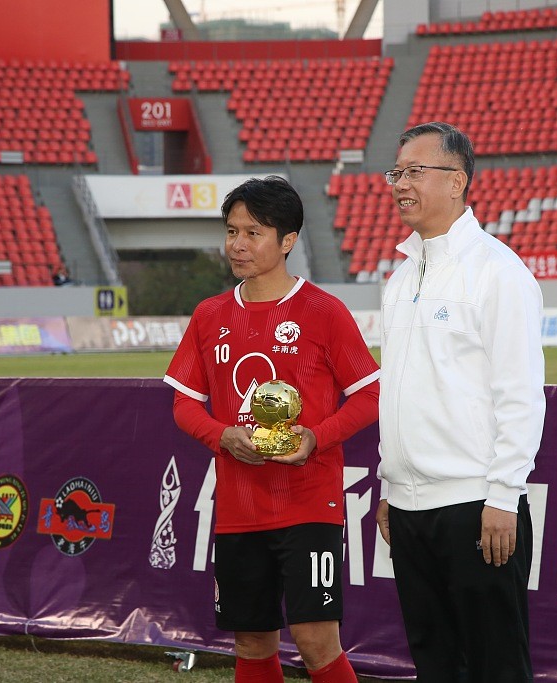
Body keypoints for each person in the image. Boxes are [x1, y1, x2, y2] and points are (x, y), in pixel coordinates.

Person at [164, 175, 380, 683]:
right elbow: (183, 404)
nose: (238, 244)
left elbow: (370, 394)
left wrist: (314, 438)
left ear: (287, 241)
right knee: (250, 639)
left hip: (310, 501)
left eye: (254, 232)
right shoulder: (209, 314)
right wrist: (221, 436)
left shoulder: (324, 312)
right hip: (239, 507)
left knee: (315, 639)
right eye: (232, 230)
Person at [374, 122, 546, 682]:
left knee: (495, 664)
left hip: (475, 507)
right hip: (408, 508)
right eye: (397, 173)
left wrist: (502, 495)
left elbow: (520, 394)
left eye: (415, 171)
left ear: (458, 182)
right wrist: (390, 485)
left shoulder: (499, 272)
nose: (401, 184)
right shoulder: (399, 279)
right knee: (435, 661)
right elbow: (398, 391)